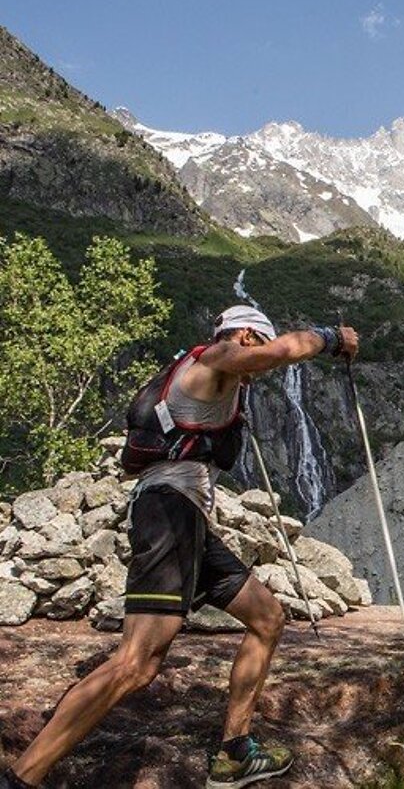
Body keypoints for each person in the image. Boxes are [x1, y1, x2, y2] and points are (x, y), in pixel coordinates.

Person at [2, 305, 358, 789]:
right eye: (257, 349)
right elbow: (278, 353)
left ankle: (234, 753)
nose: (254, 379)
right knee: (137, 664)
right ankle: (22, 777)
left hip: (185, 517)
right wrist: (330, 337)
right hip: (170, 515)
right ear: (248, 336)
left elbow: (137, 462)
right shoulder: (218, 357)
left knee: (267, 618)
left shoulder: (185, 378)